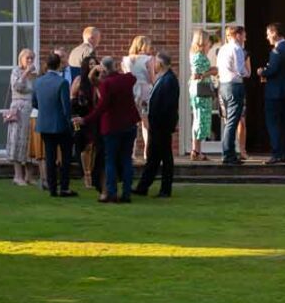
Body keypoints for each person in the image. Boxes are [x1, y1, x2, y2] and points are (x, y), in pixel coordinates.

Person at [83, 54, 139, 203]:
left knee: (111, 160)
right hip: (129, 125)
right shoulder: (126, 79)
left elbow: (101, 108)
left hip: (112, 126)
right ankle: (126, 193)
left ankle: (112, 193)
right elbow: (132, 77)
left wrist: (85, 120)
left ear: (104, 69)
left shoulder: (106, 84)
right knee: (127, 159)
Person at [134, 50, 180, 198]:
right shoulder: (163, 78)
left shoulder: (169, 80)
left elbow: (168, 106)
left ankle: (164, 189)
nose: (152, 65)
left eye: (154, 62)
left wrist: (164, 124)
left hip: (162, 126)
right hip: (157, 126)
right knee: (154, 157)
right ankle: (143, 187)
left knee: (164, 158)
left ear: (160, 64)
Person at [32, 50, 76, 198]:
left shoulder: (38, 81)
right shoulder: (62, 82)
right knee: (66, 157)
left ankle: (52, 188)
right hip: (61, 125)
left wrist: (46, 110)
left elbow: (34, 102)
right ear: (58, 65)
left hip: (44, 123)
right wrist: (70, 123)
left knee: (49, 157)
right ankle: (64, 187)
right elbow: (66, 107)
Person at [260, 22, 285, 164]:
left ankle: (277, 153)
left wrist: (262, 72)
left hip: (275, 94)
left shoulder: (277, 50)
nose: (267, 37)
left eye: (268, 34)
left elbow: (272, 70)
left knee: (273, 123)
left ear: (275, 33)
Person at [215, 23, 249, 164]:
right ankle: (228, 154)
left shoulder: (222, 49)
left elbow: (218, 67)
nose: (245, 38)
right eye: (243, 35)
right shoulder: (237, 49)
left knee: (229, 120)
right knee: (232, 121)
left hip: (223, 85)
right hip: (234, 85)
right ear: (238, 35)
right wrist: (248, 73)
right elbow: (241, 70)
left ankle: (229, 153)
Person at [5, 49, 38, 186]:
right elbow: (17, 86)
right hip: (19, 108)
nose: (30, 61)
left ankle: (29, 176)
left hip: (32, 110)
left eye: (32, 58)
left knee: (30, 142)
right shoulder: (16, 71)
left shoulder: (35, 74)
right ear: (21, 59)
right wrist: (25, 73)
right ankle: (17, 176)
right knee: (17, 140)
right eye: (27, 58)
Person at [72, 53, 103, 190]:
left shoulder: (99, 81)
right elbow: (72, 98)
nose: (92, 66)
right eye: (90, 64)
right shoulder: (79, 80)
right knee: (86, 147)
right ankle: (86, 175)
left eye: (94, 63)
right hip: (82, 117)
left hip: (96, 117)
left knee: (95, 147)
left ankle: (94, 173)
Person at [187, 30, 215, 160]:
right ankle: (195, 150)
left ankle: (197, 150)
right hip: (201, 89)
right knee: (200, 119)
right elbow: (199, 74)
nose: (209, 43)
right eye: (208, 40)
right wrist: (213, 71)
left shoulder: (196, 54)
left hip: (198, 88)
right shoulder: (199, 56)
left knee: (199, 118)